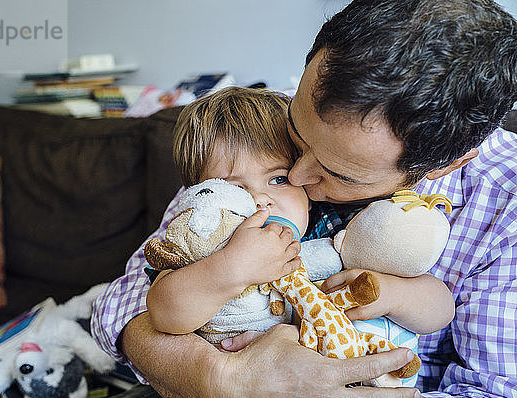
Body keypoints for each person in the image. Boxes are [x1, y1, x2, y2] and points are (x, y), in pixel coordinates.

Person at [91, 0, 517, 398]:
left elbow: (491, 390)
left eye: (339, 173)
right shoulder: (255, 139)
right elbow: (122, 305)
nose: (295, 175)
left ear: (444, 165)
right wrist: (223, 379)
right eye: (298, 137)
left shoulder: (505, 207)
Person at [145, 86, 453, 367]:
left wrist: (391, 294)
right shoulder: (203, 246)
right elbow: (164, 313)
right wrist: (230, 268)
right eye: (234, 189)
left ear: (306, 187)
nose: (260, 202)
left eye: (278, 179)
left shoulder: (340, 232)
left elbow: (440, 311)